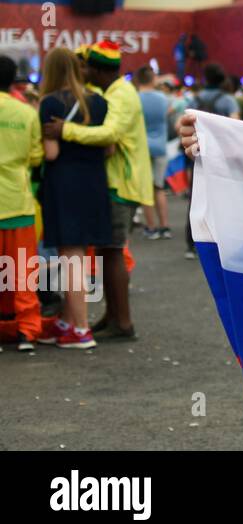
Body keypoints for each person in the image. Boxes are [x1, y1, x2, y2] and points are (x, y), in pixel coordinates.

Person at [43, 41, 153, 342]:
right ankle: (113, 316)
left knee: (114, 251)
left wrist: (66, 130)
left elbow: (110, 135)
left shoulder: (121, 95)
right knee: (106, 251)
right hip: (114, 180)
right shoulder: (112, 93)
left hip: (121, 181)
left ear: (97, 69)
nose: (82, 71)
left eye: (86, 66)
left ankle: (123, 322)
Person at [35, 48, 111, 348]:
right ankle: (67, 321)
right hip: (94, 182)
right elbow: (109, 147)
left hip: (64, 184)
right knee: (78, 252)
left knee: (70, 257)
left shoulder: (50, 103)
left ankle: (80, 329)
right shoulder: (99, 102)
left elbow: (51, 152)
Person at [0, 56, 42, 352]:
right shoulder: (26, 112)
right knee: (22, 273)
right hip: (19, 202)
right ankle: (27, 331)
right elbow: (37, 156)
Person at [135, 66, 172, 240]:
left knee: (145, 189)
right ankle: (165, 226)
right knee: (159, 187)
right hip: (161, 147)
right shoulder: (163, 98)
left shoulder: (135, 99)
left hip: (141, 148)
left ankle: (151, 227)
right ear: (152, 79)